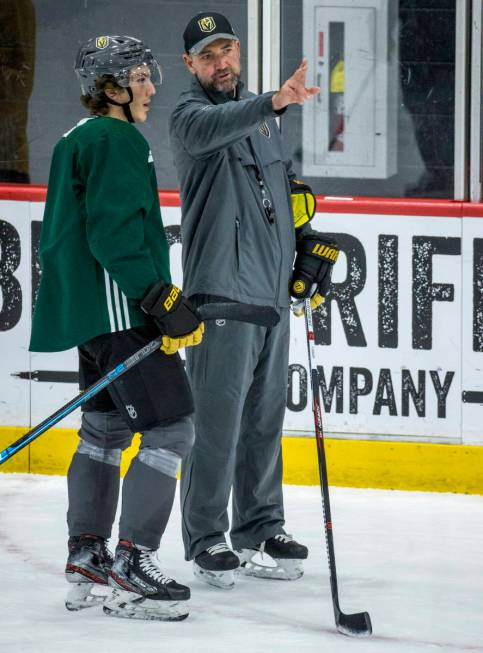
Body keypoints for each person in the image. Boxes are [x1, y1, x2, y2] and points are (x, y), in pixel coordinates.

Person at [29, 35, 204, 621]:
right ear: (111, 88)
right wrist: (158, 296)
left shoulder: (76, 138)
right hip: (119, 311)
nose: (151, 86)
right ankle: (132, 560)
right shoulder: (115, 136)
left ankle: (88, 556)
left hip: (91, 316)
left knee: (103, 430)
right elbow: (111, 233)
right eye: (140, 77)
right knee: (172, 428)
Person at [169, 13, 339, 590]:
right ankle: (206, 534)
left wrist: (305, 243)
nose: (221, 63)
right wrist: (274, 100)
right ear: (190, 64)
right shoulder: (191, 118)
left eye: (227, 51)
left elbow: (280, 194)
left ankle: (261, 526)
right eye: (208, 55)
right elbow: (220, 126)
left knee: (265, 420)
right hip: (220, 295)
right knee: (216, 423)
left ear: (238, 53)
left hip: (269, 294)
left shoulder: (267, 123)